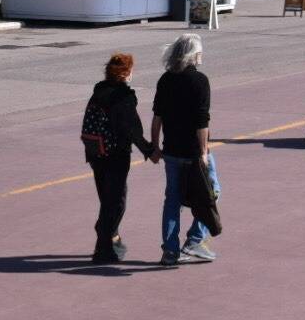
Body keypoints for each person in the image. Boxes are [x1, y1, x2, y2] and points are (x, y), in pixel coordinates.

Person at [83, 53, 159, 263]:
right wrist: (149, 150)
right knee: (116, 201)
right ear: (126, 73)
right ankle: (103, 248)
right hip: (116, 153)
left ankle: (106, 233)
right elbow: (131, 128)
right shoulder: (123, 97)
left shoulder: (99, 90)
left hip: (96, 152)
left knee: (106, 198)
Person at [151, 35, 216, 266]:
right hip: (193, 151)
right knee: (210, 191)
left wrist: (154, 145)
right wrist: (204, 152)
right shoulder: (200, 81)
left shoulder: (166, 79)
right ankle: (195, 240)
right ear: (193, 55)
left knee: (172, 200)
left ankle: (170, 251)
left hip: (171, 151)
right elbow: (202, 121)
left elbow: (157, 116)